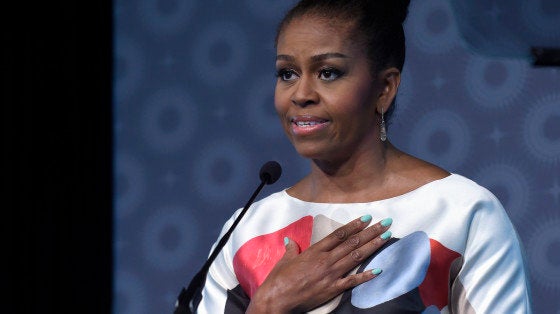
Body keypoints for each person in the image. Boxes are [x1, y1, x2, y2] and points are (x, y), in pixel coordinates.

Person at [196, 0, 532, 313]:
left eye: (328, 72)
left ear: (384, 89)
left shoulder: (462, 213)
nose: (301, 95)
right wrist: (269, 304)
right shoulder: (248, 228)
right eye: (287, 73)